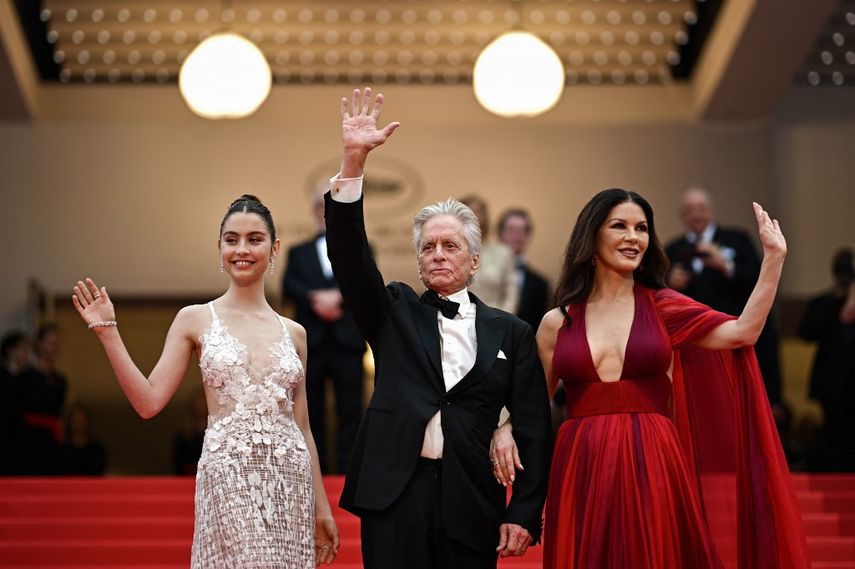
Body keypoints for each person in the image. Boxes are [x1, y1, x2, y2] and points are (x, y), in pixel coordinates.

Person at [492, 189, 809, 568]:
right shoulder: (556, 322)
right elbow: (534, 404)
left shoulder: (664, 306)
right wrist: (505, 428)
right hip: (582, 461)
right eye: (619, 226)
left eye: (641, 228)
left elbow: (743, 332)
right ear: (591, 238)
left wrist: (773, 259)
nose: (633, 236)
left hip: (653, 454)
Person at [325, 88, 551, 569]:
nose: (438, 255)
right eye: (428, 248)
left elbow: (535, 426)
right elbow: (349, 259)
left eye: (451, 246)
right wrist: (353, 163)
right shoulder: (393, 313)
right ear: (418, 261)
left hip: (472, 500)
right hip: (394, 497)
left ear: (475, 261)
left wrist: (524, 511)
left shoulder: (512, 333)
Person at [70, 195, 339, 567]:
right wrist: (108, 334)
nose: (241, 249)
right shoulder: (194, 319)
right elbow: (148, 402)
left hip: (289, 485)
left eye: (254, 239)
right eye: (231, 240)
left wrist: (322, 507)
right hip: (227, 479)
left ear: (274, 248)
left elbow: (303, 427)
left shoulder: (295, 333)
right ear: (219, 248)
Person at [665, 187, 784, 408]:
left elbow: (758, 279)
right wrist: (670, 281)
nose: (696, 215)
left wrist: (725, 266)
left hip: (736, 334)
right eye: (689, 210)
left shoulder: (737, 239)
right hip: (694, 346)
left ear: (710, 211)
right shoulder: (672, 249)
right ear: (683, 216)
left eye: (701, 208)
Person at [283, 190, 366, 474]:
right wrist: (314, 297)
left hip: (348, 342)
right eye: (321, 206)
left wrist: (338, 297)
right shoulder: (298, 252)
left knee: (351, 409)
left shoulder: (361, 247)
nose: (325, 212)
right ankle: (313, 471)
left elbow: (368, 282)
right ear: (314, 211)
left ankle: (348, 474)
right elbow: (288, 286)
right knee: (309, 410)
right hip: (311, 344)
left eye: (330, 206)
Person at [798, 247, 855, 470]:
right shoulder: (824, 303)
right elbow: (805, 333)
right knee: (833, 435)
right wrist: (836, 302)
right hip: (830, 381)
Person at [18, 324, 67, 474]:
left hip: (52, 438)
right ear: (39, 344)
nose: (54, 348)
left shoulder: (60, 380)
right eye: (51, 343)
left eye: (57, 343)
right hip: (27, 438)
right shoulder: (24, 376)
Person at [459, 195, 519, 314]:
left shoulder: (503, 252)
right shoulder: (451, 253)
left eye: (478, 212)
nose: (474, 216)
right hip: (459, 318)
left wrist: (502, 319)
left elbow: (511, 295)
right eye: (468, 211)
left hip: (497, 319)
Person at [497, 208, 551, 330]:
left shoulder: (541, 285)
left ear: (528, 236)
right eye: (511, 229)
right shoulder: (481, 275)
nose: (517, 235)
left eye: (523, 230)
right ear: (500, 234)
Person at [0, 330, 29, 474]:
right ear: (11, 350)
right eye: (23, 348)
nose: (26, 352)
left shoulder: (28, 376)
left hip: (21, 433)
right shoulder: (2, 375)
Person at [59, 402, 107, 475]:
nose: (79, 425)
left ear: (88, 422)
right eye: (76, 421)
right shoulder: (62, 450)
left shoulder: (97, 449)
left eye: (82, 421)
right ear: (70, 423)